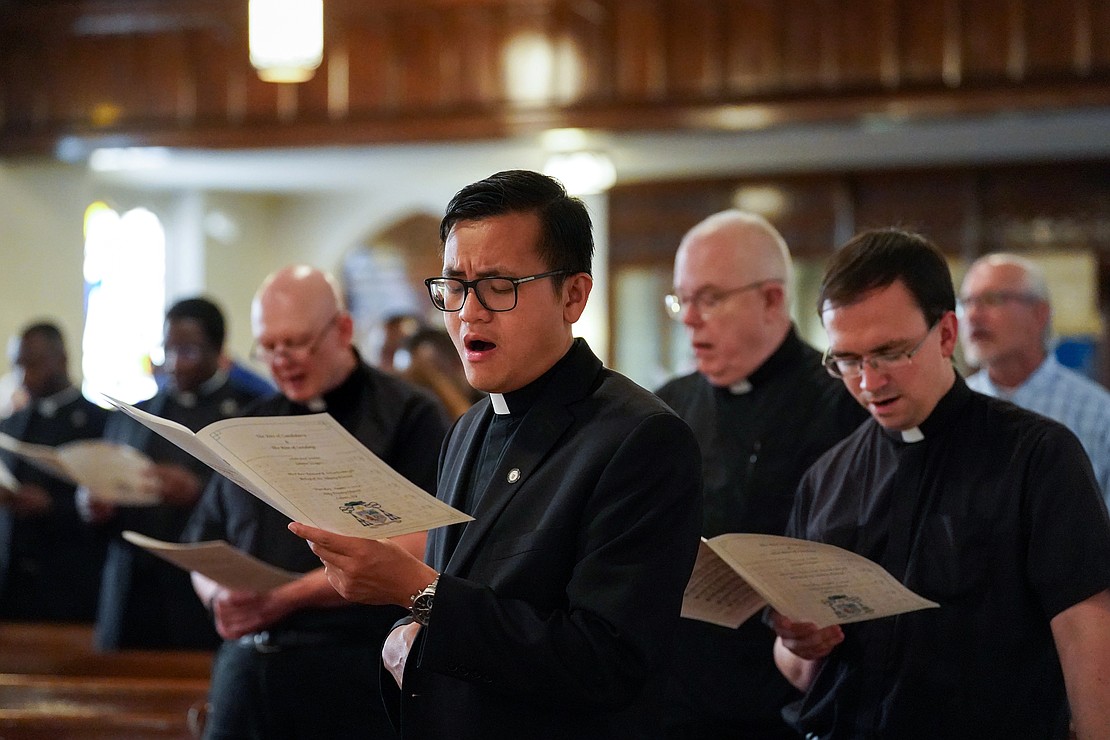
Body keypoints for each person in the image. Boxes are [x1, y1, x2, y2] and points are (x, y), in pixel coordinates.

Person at [288, 170, 704, 740]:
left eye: (499, 285)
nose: (468, 313)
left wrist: (420, 593)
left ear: (574, 295)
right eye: (455, 285)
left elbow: (606, 662)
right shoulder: (466, 428)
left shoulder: (640, 439)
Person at [771, 229, 1110, 739]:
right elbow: (798, 673)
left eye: (889, 353)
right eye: (847, 360)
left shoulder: (1036, 456)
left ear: (947, 335)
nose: (868, 381)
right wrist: (797, 643)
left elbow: (1089, 635)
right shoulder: (829, 476)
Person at [183, 265, 449, 739]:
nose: (282, 359)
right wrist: (219, 596)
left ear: (342, 329)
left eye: (297, 342)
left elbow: (432, 540)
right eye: (268, 346)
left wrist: (285, 599)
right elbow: (203, 542)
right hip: (245, 674)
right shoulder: (248, 425)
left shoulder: (408, 414)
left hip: (352, 672)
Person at [655, 210, 866, 739]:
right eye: (683, 299)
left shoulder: (842, 404)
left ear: (772, 300)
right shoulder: (666, 407)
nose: (689, 318)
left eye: (709, 298)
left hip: (787, 706)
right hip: (672, 699)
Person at [84, 297, 266, 650]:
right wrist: (93, 503)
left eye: (190, 351)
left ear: (218, 349)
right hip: (131, 590)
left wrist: (201, 493)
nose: (175, 364)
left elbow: (266, 502)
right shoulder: (134, 415)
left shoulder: (250, 412)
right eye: (168, 350)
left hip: (200, 594)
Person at [959, 252, 1110, 506]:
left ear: (1039, 314)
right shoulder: (952, 410)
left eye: (991, 299)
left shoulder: (1098, 414)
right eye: (965, 303)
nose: (973, 316)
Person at [0, 321, 111, 622]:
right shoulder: (10, 424)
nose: (22, 375)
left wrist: (53, 506)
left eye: (32, 364)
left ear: (61, 359)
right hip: (11, 585)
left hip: (71, 582)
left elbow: (111, 503)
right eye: (17, 365)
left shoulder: (99, 423)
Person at [396, 326, 481, 419]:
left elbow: (468, 427)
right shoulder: (407, 412)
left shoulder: (490, 405)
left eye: (425, 381)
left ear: (458, 363)